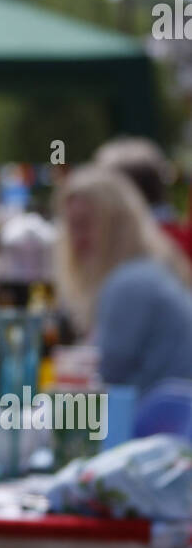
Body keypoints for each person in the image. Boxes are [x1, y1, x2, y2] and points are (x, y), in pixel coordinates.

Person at [55, 166, 192, 394]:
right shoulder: (146, 272)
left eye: (84, 225)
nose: (76, 240)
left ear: (116, 226)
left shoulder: (130, 284)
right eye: (72, 227)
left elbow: (104, 378)